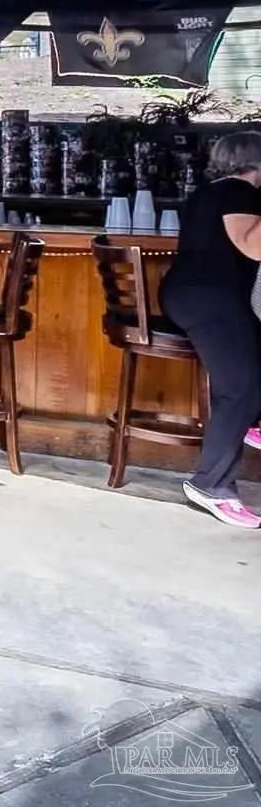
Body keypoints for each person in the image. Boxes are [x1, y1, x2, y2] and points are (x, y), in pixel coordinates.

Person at [161, 130, 261, 528]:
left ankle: (252, 422)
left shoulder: (210, 192)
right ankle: (211, 485)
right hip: (208, 298)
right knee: (239, 387)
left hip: (195, 295)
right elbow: (253, 245)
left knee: (250, 362)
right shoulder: (238, 191)